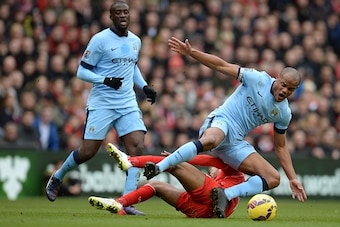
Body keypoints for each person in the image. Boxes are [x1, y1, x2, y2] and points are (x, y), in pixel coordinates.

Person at [143, 37, 307, 218]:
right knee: (213, 139)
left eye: (290, 89)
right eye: (283, 85)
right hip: (222, 122)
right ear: (277, 78)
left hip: (235, 142)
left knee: (273, 178)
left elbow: (281, 146)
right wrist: (192, 53)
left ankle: (225, 195)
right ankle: (159, 167)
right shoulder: (257, 79)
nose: (285, 91)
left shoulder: (284, 113)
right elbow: (221, 65)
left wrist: (292, 178)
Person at [45, 1, 157, 216]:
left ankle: (126, 203)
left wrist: (144, 86)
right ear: (110, 16)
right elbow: (81, 72)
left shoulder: (136, 40)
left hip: (127, 102)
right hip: (102, 103)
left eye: (126, 12)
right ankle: (58, 176)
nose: (123, 16)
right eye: (118, 13)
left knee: (137, 147)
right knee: (87, 152)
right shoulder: (100, 40)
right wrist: (105, 80)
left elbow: (131, 66)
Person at [88, 143, 245, 218]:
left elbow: (204, 160)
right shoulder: (225, 173)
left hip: (210, 198)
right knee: (155, 186)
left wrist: (177, 157)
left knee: (173, 163)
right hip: (202, 211)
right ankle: (118, 203)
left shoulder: (232, 166)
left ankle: (131, 161)